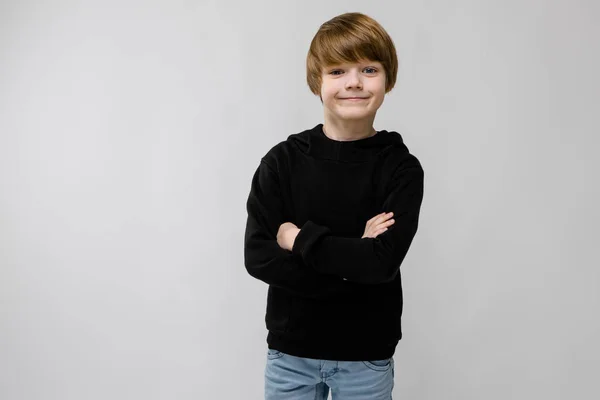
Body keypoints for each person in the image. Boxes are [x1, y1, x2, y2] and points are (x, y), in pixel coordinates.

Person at [244, 11, 424, 400]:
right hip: (290, 353)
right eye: (338, 71)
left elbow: (380, 263)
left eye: (369, 69)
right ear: (317, 82)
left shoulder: (400, 168)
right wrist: (352, 259)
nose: (354, 83)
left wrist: (298, 240)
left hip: (365, 357)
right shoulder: (282, 162)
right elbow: (258, 256)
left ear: (387, 79)